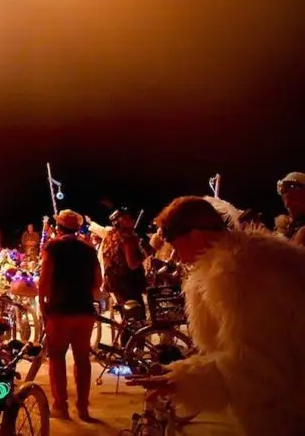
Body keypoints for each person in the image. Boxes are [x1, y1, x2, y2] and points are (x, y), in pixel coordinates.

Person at [132, 196, 305, 436]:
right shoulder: (245, 262)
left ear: (195, 235)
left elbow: (261, 370)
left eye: (175, 245)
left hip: (288, 416)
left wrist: (184, 379)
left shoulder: (240, 274)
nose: (179, 257)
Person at [39, 210, 101, 421]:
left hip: (60, 309)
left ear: (59, 228)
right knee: (82, 359)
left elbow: (45, 278)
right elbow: (98, 281)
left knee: (56, 357)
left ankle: (60, 406)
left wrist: (42, 303)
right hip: (84, 310)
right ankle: (83, 408)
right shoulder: (88, 249)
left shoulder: (53, 247)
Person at [101, 208, 147, 322]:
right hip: (129, 284)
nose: (132, 220)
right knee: (138, 320)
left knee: (127, 320)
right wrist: (144, 255)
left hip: (116, 284)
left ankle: (126, 339)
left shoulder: (110, 237)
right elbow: (132, 264)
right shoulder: (127, 238)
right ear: (122, 222)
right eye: (128, 218)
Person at [276, 172, 305, 246]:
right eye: (284, 188)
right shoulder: (288, 226)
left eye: (295, 187)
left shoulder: (302, 230)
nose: (289, 192)